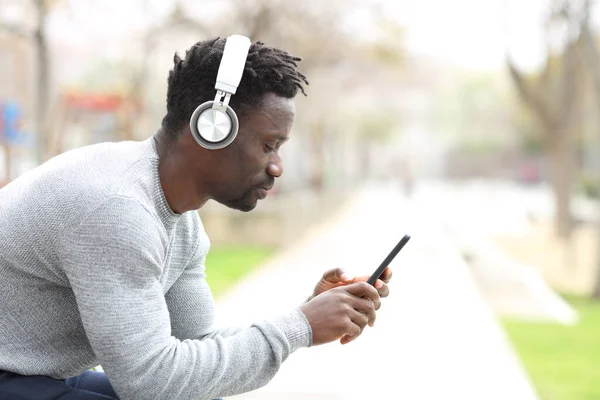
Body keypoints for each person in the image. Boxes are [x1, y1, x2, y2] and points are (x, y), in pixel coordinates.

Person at [0, 36, 392, 400]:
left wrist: (308, 311)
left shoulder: (178, 219)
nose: (277, 168)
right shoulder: (117, 209)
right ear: (211, 129)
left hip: (31, 375)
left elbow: (197, 351)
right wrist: (300, 327)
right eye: (269, 146)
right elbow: (150, 381)